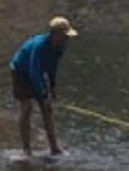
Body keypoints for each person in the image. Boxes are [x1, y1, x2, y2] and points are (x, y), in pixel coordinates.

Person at [9, 16, 78, 157]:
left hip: (36, 72)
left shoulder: (61, 47)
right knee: (27, 107)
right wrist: (42, 94)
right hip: (21, 70)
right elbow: (33, 71)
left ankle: (54, 148)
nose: (67, 39)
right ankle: (26, 150)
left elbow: (52, 68)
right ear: (55, 34)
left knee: (47, 109)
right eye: (65, 36)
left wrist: (52, 88)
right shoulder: (39, 46)